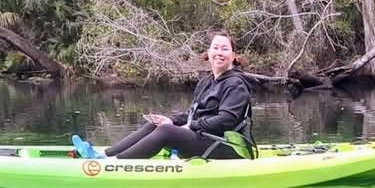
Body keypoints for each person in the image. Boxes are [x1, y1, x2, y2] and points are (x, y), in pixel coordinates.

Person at [73, 30, 255, 160]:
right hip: (206, 138)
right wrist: (172, 120)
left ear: (233, 56)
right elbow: (194, 114)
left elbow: (226, 121)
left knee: (166, 131)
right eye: (215, 48)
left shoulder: (236, 84)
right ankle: (104, 155)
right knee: (159, 124)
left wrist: (188, 127)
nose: (219, 53)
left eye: (224, 49)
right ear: (208, 53)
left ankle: (114, 164)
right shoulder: (206, 82)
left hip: (228, 148)